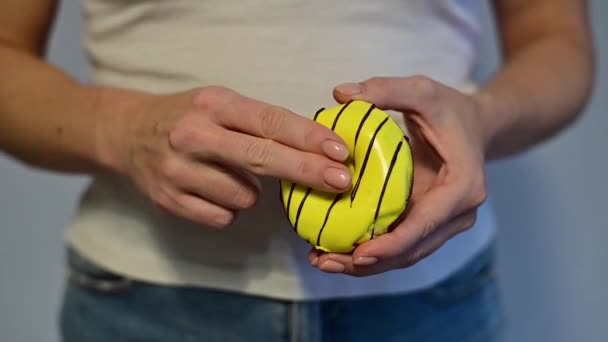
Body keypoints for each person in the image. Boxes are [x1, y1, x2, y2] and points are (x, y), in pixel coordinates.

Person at [0, 0, 594, 341]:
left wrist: (481, 117)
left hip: (432, 306)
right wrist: (120, 128)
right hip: (146, 306)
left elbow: (556, 41)